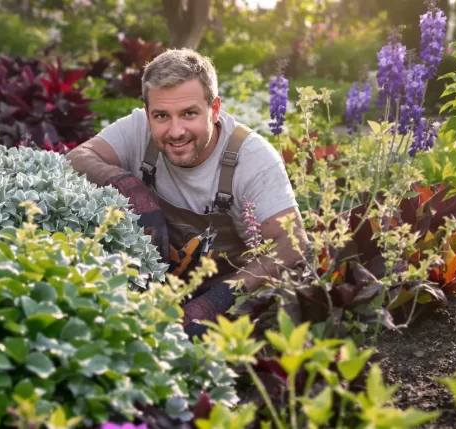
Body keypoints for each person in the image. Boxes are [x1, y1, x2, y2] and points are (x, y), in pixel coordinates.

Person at [65, 48, 308, 337]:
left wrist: (217, 301)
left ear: (214, 109)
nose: (176, 131)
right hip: (154, 294)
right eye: (161, 116)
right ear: (148, 114)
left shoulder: (254, 159)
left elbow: (292, 243)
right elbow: (78, 157)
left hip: (231, 308)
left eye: (189, 113)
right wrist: (129, 187)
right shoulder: (137, 129)